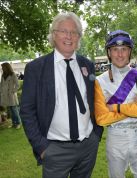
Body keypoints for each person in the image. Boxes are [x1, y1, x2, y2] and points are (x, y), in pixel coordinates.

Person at [20, 12, 103, 178]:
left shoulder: (87, 65)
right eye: (64, 31)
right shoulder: (36, 68)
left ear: (79, 37)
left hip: (88, 146)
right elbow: (27, 111)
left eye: (74, 32)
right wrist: (41, 147)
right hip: (55, 150)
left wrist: (96, 135)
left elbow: (95, 101)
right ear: (54, 34)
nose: (69, 36)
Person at [94, 30, 137, 178]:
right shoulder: (100, 81)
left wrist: (115, 107)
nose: (120, 54)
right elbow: (102, 118)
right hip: (115, 138)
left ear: (130, 52)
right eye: (115, 50)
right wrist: (135, 106)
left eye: (124, 50)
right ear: (109, 52)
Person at [0, 62, 21, 129]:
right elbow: (1, 84)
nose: (2, 68)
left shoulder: (13, 74)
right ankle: (13, 123)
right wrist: (1, 92)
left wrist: (13, 91)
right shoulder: (3, 75)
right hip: (5, 95)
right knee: (10, 111)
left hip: (11, 95)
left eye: (3, 67)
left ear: (7, 67)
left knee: (14, 109)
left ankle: (18, 123)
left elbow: (17, 85)